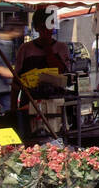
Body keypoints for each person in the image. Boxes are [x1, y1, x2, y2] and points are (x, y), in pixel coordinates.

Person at [13, 9, 70, 139]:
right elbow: (16, 82)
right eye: (43, 27)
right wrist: (13, 109)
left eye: (49, 26)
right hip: (29, 103)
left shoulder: (61, 48)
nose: (46, 30)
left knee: (56, 142)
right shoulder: (25, 49)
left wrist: (48, 50)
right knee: (29, 141)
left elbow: (63, 73)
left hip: (54, 105)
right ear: (37, 27)